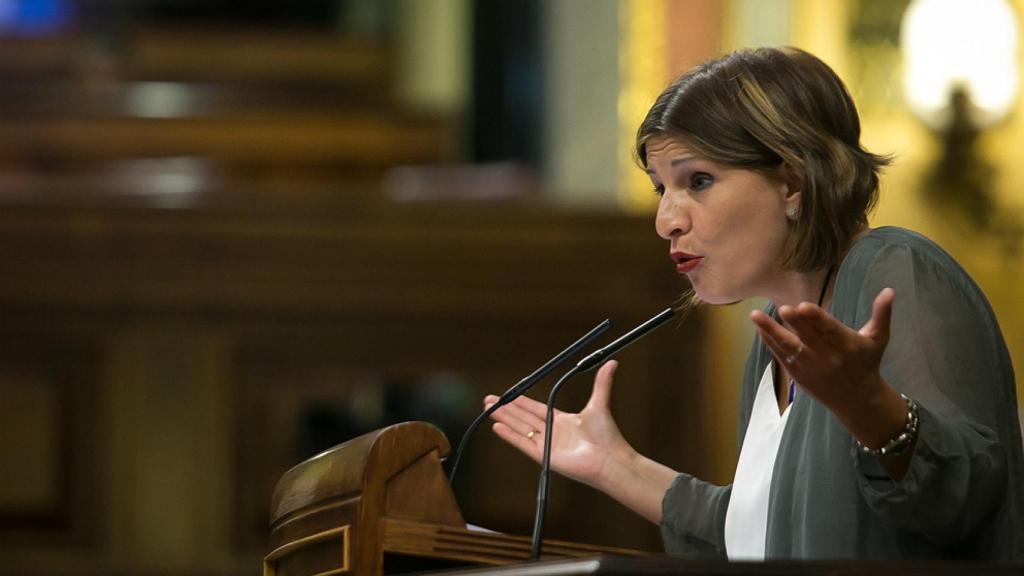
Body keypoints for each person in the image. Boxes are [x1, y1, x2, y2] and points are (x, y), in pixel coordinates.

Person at [485, 47, 1024, 563]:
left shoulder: (894, 269)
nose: (666, 221)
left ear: (791, 182)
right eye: (660, 189)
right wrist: (612, 464)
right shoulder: (772, 342)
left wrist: (871, 409)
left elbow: (964, 498)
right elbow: (765, 534)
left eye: (698, 181)